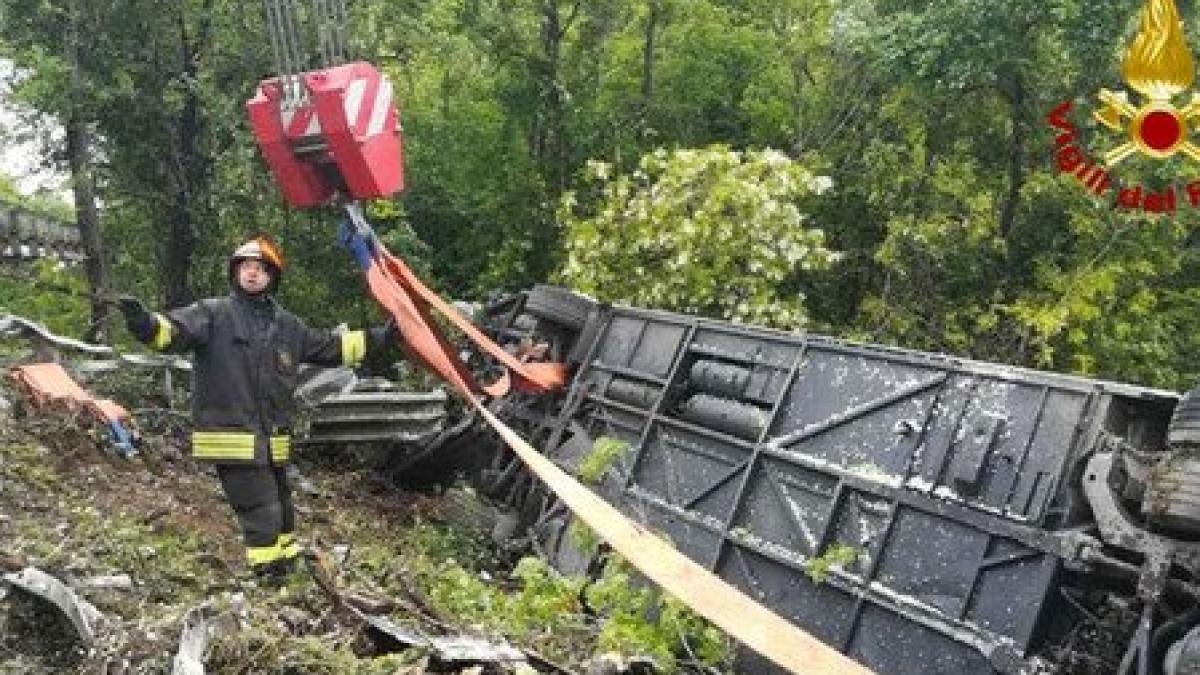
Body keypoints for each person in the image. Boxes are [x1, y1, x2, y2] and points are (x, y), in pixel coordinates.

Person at [118, 235, 395, 581]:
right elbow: (172, 333)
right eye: (246, 266)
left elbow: (330, 348)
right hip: (232, 438)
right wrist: (143, 322)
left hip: (271, 443)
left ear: (272, 277)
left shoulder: (288, 326)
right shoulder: (213, 314)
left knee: (283, 511)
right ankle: (268, 577)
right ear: (235, 272)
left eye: (261, 268)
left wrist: (380, 337)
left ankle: (288, 570)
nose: (252, 273)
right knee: (262, 512)